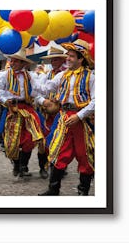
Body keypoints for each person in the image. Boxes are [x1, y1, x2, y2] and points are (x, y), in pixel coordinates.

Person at [36, 39, 95, 196]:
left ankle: (83, 191)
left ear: (81, 58)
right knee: (58, 151)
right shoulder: (62, 75)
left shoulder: (91, 77)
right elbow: (45, 88)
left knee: (85, 154)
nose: (67, 58)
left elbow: (97, 100)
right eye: (67, 55)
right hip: (64, 117)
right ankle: (53, 189)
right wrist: (31, 81)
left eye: (71, 56)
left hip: (83, 119)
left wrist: (79, 115)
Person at [0, 48, 44, 178]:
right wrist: (6, 100)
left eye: (16, 61)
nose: (12, 63)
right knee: (12, 140)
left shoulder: (31, 76)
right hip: (12, 109)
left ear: (23, 64)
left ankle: (23, 165)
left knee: (30, 139)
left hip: (27, 108)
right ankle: (16, 164)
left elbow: (38, 90)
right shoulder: (5, 75)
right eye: (12, 60)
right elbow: (1, 92)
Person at [36, 46, 68, 179]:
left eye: (56, 59)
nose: (54, 62)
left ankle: (58, 166)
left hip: (61, 113)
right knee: (43, 141)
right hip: (46, 114)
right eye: (52, 60)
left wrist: (60, 100)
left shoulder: (67, 75)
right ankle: (42, 166)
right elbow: (37, 93)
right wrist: (44, 101)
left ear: (62, 60)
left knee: (62, 140)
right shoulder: (45, 76)